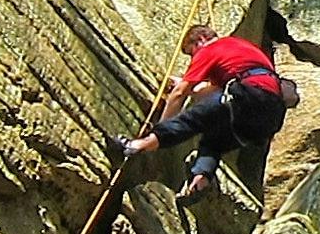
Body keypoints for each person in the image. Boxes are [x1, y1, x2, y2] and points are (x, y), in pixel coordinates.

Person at [122, 22, 292, 204]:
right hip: (271, 115)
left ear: (201, 40)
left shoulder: (211, 49)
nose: (193, 58)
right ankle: (200, 182)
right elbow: (213, 90)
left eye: (191, 53)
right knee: (212, 143)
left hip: (249, 96)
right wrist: (188, 86)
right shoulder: (241, 48)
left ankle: (137, 145)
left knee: (192, 120)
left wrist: (161, 128)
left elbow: (179, 94)